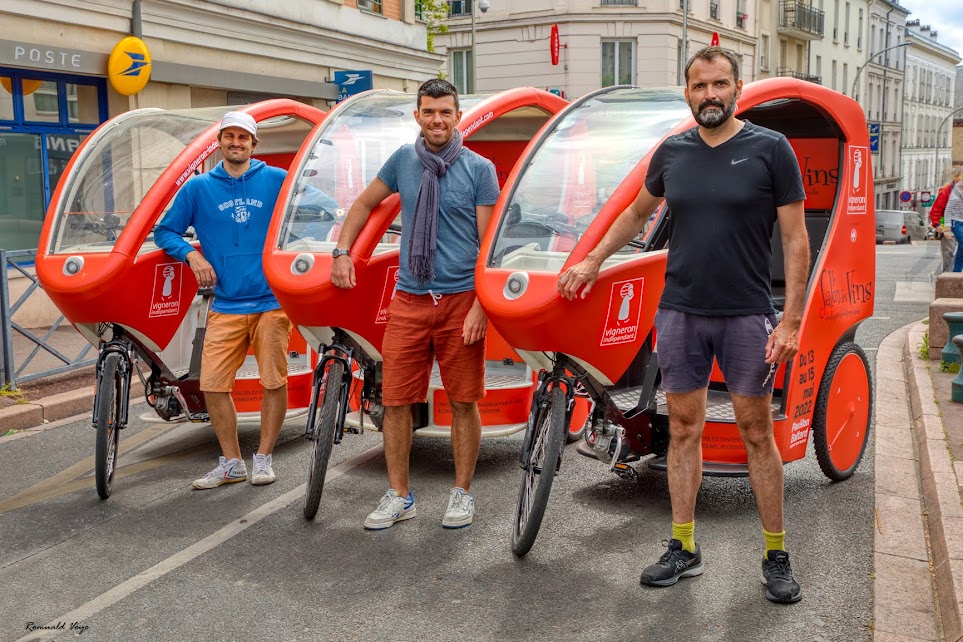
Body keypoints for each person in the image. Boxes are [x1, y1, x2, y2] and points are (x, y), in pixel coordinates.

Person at [557, 46, 809, 604]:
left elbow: (795, 237)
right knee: (684, 430)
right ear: (688, 92)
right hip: (680, 313)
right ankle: (683, 546)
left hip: (747, 313)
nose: (710, 95)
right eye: (699, 86)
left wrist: (791, 320)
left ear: (737, 88)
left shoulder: (771, 149)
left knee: (755, 433)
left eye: (720, 84)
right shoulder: (672, 152)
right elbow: (634, 214)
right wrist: (592, 261)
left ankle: (776, 553)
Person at [331, 79, 499, 530]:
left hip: (462, 298)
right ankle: (399, 495)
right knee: (396, 401)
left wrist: (483, 305)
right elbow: (364, 203)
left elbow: (488, 246)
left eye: (445, 112)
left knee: (463, 401)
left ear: (458, 116)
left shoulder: (480, 169)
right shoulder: (404, 160)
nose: (437, 120)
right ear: (417, 116)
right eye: (429, 112)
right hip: (409, 297)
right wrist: (342, 252)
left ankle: (461, 493)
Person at [155, 111, 336, 490]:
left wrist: (294, 249)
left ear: (255, 144)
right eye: (229, 136)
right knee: (213, 385)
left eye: (243, 137)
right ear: (219, 142)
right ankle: (232, 462)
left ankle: (264, 458)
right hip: (225, 302)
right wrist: (192, 255)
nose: (235, 143)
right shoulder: (198, 188)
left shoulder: (276, 179)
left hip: (272, 301)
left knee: (274, 380)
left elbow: (324, 210)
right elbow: (165, 231)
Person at [930, 167, 962, 273]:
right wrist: (940, 226)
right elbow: (937, 210)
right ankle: (947, 277)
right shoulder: (946, 191)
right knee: (949, 251)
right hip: (948, 222)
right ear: (955, 177)